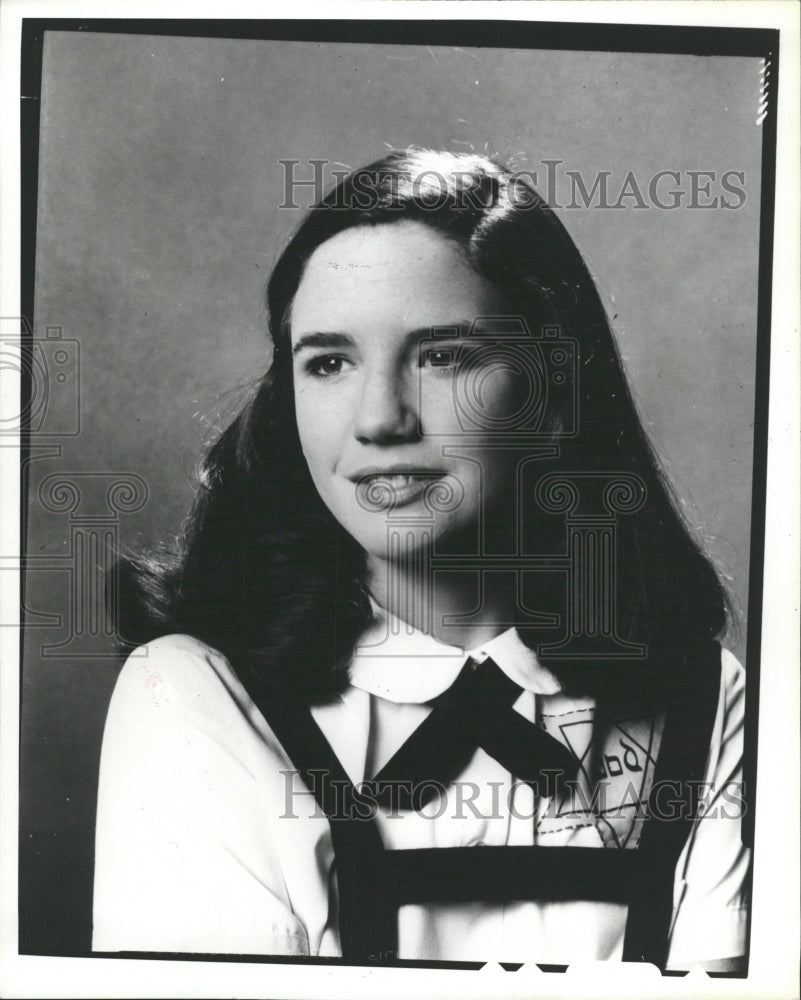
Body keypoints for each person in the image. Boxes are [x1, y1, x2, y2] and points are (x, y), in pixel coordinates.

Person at [92, 149, 750, 970]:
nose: (378, 420)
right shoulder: (196, 691)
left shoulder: (704, 696)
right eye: (328, 363)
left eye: (442, 355)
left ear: (552, 399)